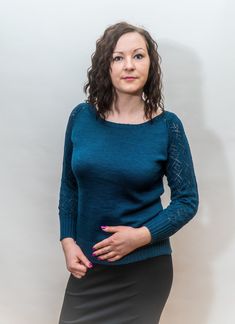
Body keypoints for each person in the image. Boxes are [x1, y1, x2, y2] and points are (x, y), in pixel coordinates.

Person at [57, 21, 199, 324]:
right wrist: (68, 241)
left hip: (144, 272)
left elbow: (187, 200)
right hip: (89, 269)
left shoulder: (167, 127)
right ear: (105, 65)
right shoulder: (81, 117)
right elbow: (69, 186)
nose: (128, 65)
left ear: (151, 64)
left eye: (138, 56)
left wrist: (141, 237)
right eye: (118, 57)